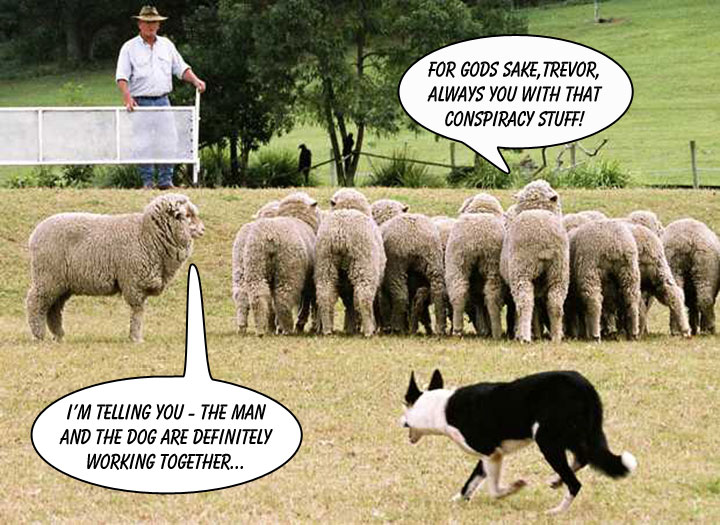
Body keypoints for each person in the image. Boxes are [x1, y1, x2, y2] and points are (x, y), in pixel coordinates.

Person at [116, 5, 206, 189]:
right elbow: (122, 76)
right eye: (147, 22)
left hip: (163, 100)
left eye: (154, 22)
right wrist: (127, 97)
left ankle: (166, 180)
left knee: (169, 139)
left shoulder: (166, 45)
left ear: (159, 25)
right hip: (141, 101)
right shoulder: (129, 48)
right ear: (139, 24)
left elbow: (181, 68)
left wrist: (196, 80)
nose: (151, 26)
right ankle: (147, 182)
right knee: (143, 142)